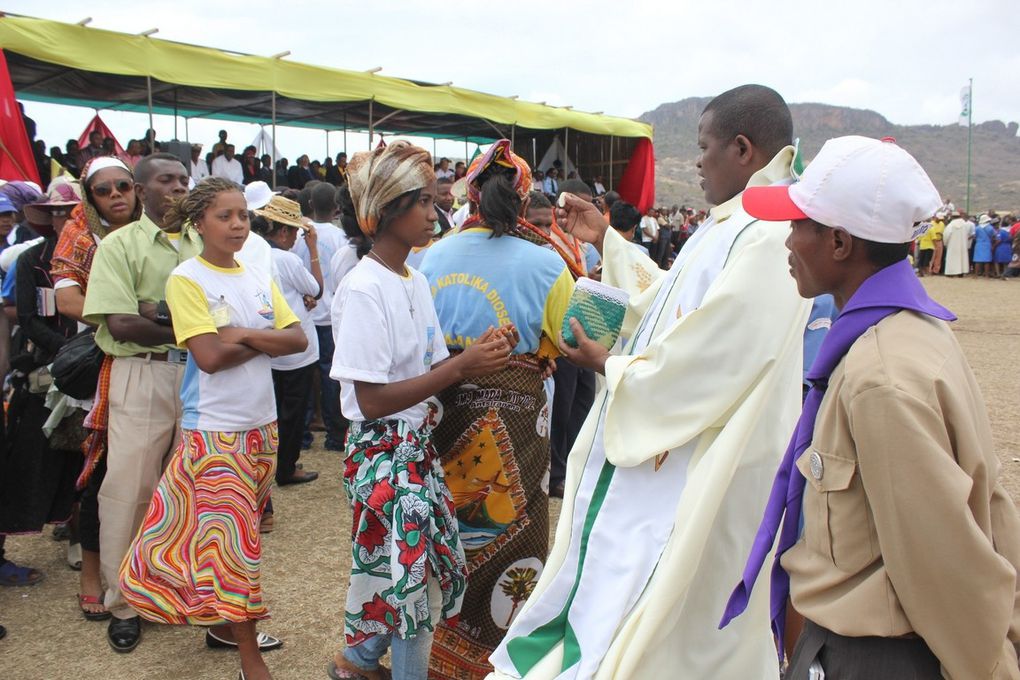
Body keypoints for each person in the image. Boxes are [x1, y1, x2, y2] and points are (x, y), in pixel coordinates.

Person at [489, 84, 811, 679]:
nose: (697, 161)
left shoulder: (767, 233)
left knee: (687, 613)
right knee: (639, 600)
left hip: (714, 460)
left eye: (704, 147)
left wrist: (610, 367)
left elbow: (714, 356)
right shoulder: (735, 221)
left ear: (742, 149)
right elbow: (668, 299)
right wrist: (607, 240)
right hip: (678, 447)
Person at [724, 135, 1020, 680]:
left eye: (798, 226)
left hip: (878, 659)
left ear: (838, 243)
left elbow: (943, 562)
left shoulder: (878, 376)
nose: (787, 241)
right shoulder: (908, 332)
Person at [328, 140, 513, 680]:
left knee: (413, 574)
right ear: (387, 211)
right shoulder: (364, 289)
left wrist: (485, 356)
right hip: (383, 454)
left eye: (435, 201)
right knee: (414, 585)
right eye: (425, 203)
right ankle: (373, 664)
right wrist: (460, 367)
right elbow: (370, 401)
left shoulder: (415, 279)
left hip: (414, 450)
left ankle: (358, 662)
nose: (435, 213)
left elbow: (432, 370)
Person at [120, 178, 305, 680]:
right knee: (233, 545)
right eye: (225, 216)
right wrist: (262, 339)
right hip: (217, 433)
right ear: (198, 223)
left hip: (262, 429)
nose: (238, 224)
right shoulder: (186, 279)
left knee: (232, 541)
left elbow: (297, 339)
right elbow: (209, 357)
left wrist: (242, 333)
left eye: (243, 215)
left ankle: (222, 626)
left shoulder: (255, 275)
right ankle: (250, 659)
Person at [420, 140, 574, 680]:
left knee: (444, 520)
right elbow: (566, 341)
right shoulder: (548, 262)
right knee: (515, 526)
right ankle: (499, 654)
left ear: (472, 194)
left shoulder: (430, 256)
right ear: (524, 194)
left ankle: (431, 645)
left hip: (442, 405)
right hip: (518, 413)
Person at [82, 153, 202, 652]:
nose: (177, 188)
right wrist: (192, 321)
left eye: (182, 179)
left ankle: (175, 589)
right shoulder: (119, 245)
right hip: (143, 371)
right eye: (166, 180)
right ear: (142, 188)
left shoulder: (207, 239)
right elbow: (120, 323)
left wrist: (158, 311)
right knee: (130, 489)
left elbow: (233, 307)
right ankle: (123, 602)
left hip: (199, 373)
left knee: (191, 488)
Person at [51, 157, 142, 621]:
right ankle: (94, 577)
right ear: (90, 198)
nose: (115, 196)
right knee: (102, 478)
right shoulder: (80, 236)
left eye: (122, 185)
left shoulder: (152, 230)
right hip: (104, 363)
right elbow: (67, 300)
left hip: (153, 364)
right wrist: (128, 319)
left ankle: (140, 579)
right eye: (103, 190)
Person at [252, 196, 322, 485]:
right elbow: (316, 290)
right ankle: (287, 467)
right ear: (282, 232)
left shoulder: (252, 255)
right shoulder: (287, 259)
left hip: (267, 344)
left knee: (272, 411)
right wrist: (313, 249)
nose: (296, 237)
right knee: (293, 413)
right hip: (295, 349)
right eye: (294, 231)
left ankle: (270, 466)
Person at [291, 182, 348, 451]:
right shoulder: (339, 237)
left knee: (304, 375)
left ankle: (303, 430)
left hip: (304, 312)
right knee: (329, 375)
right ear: (336, 208)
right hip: (328, 313)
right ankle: (334, 434)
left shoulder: (300, 233)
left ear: (310, 204)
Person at [943, 211, 973, 277]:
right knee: (962, 258)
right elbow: (967, 234)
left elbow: (946, 235)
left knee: (952, 258)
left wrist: (946, 243)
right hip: (963, 245)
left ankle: (950, 272)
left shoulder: (950, 225)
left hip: (952, 245)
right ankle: (961, 272)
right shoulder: (965, 224)